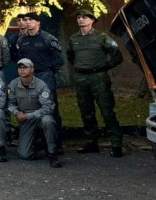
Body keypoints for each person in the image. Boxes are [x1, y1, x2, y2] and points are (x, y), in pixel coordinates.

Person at [66, 10, 125, 157]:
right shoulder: (74, 38)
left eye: (84, 17)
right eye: (78, 17)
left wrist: (103, 67)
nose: (80, 19)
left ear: (92, 20)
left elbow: (117, 56)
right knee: (86, 112)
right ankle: (91, 143)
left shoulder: (102, 37)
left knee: (107, 111)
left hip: (98, 78)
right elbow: (70, 56)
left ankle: (116, 145)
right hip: (81, 78)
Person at [14, 12, 64, 150]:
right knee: (30, 107)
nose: (27, 22)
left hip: (45, 76)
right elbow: (18, 57)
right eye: (26, 20)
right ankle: (36, 141)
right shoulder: (21, 40)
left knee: (50, 108)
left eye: (31, 20)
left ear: (38, 22)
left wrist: (48, 71)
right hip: (28, 78)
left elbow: (59, 60)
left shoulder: (47, 38)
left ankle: (55, 144)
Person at [7, 58, 61, 167]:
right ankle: (39, 144)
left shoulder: (41, 85)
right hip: (25, 119)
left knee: (48, 121)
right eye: (20, 68)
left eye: (25, 67)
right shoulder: (13, 84)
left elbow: (48, 108)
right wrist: (17, 113)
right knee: (25, 155)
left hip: (40, 116)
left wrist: (28, 116)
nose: (22, 70)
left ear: (32, 70)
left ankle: (52, 153)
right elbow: (10, 103)